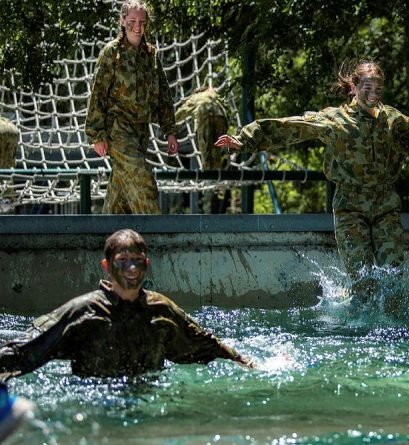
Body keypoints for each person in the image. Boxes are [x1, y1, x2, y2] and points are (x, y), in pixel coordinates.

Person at [215, 60, 409, 295]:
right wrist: (245, 140)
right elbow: (290, 127)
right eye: (368, 88)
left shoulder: (393, 119)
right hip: (350, 207)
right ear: (353, 88)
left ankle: (392, 329)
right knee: (361, 279)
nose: (374, 95)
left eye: (378, 89)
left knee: (392, 276)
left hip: (386, 204)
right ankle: (359, 325)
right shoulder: (335, 119)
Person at [0, 229, 252, 381]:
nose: (131, 269)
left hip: (148, 399)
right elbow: (26, 348)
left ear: (147, 264)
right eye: (122, 260)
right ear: (106, 266)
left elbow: (204, 343)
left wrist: (249, 365)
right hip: (95, 401)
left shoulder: (160, 309)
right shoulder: (83, 311)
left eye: (137, 261)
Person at [85, 0, 179, 214]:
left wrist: (170, 132)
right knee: (142, 179)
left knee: (121, 192)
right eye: (132, 21)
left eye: (142, 22)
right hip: (117, 130)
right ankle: (158, 236)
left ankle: (105, 235)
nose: (138, 27)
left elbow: (164, 94)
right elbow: (98, 93)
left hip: (140, 132)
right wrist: (96, 134)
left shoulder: (151, 55)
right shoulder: (112, 54)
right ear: (122, 21)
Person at [175, 86, 230, 213]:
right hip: (221, 117)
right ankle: (219, 188)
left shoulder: (196, 97)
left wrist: (169, 125)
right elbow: (225, 105)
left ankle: (210, 190)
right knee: (216, 153)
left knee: (206, 155)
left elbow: (181, 113)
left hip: (204, 116)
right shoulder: (214, 93)